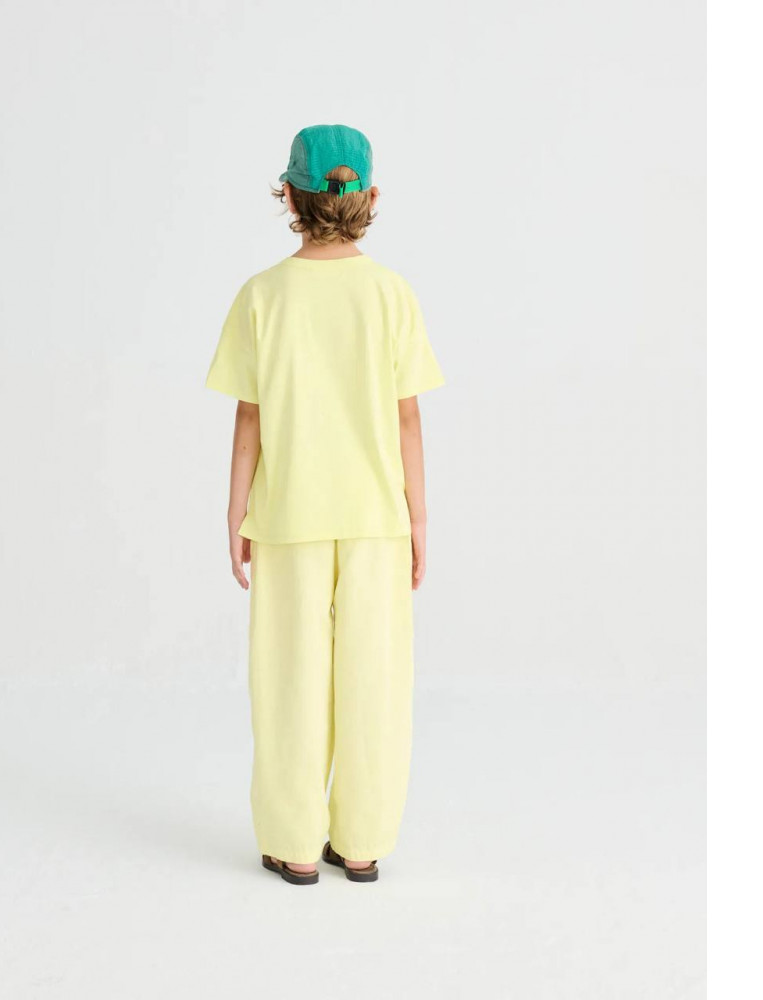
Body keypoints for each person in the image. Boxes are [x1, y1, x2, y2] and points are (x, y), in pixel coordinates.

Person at [205, 124, 444, 885]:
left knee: (289, 678)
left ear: (289, 195)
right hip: (377, 519)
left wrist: (236, 512)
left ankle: (295, 842)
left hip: (288, 518)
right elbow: (408, 417)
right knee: (376, 678)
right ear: (368, 197)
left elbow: (250, 419)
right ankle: (363, 842)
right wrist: (419, 520)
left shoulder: (262, 295)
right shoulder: (392, 293)